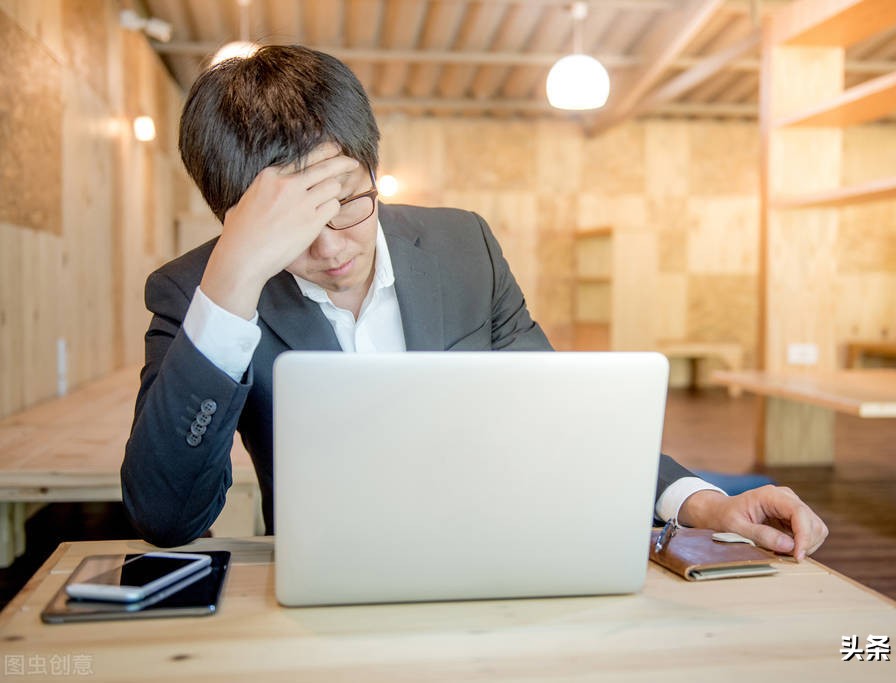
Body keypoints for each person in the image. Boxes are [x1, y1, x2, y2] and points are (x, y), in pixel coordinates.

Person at [121, 45, 828, 559]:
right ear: (235, 221)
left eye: (349, 204)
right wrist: (235, 280)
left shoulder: (463, 246)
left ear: (372, 167)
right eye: (294, 231)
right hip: (328, 578)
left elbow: (557, 411)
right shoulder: (197, 290)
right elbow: (166, 516)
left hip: (505, 551)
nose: (333, 246)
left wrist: (703, 503)